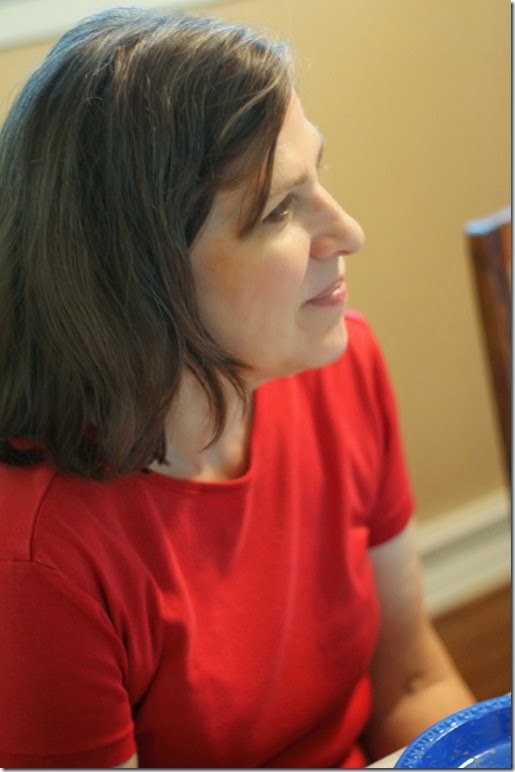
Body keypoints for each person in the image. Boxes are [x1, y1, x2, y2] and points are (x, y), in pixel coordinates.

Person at [0, 7, 474, 769]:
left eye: (319, 175)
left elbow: (411, 678)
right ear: (139, 276)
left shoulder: (343, 364)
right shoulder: (38, 558)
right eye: (279, 208)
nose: (347, 231)